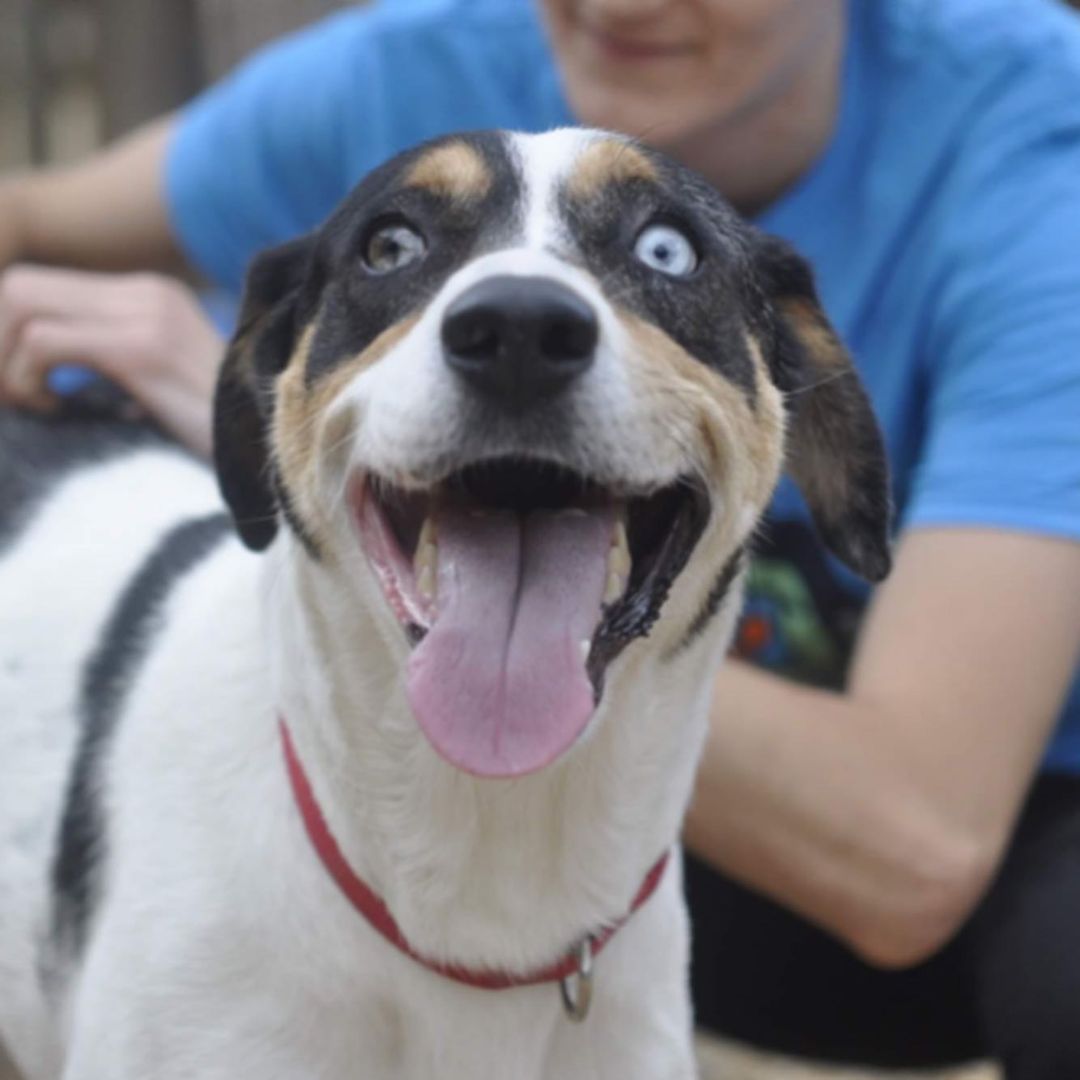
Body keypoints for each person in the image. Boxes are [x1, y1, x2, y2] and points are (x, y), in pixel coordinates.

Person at [2, 0, 1080, 1075]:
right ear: (268, 394)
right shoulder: (405, 56)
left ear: (806, 416)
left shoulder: (1038, 149)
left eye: (663, 253)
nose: (522, 311)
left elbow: (916, 849)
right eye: (396, 246)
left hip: (915, 854)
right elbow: (31, 211)